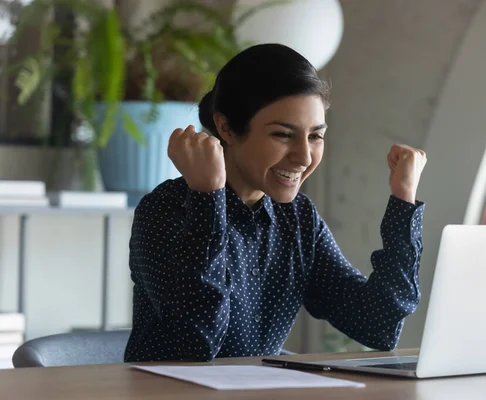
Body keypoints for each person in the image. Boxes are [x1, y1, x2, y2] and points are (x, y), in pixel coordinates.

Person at [124, 43, 427, 362]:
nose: (304, 156)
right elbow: (194, 345)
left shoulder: (297, 218)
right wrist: (207, 197)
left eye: (316, 136)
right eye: (283, 135)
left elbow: (377, 326)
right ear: (226, 127)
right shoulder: (166, 208)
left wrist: (403, 198)